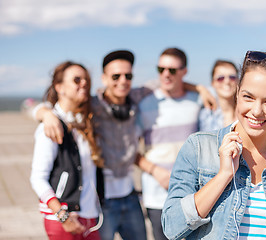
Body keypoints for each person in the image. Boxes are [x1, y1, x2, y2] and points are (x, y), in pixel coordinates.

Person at [33, 50, 216, 240]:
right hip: (101, 202)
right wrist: (45, 114)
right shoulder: (92, 106)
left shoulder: (136, 97)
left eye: (128, 76)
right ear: (104, 78)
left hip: (130, 198)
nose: (123, 81)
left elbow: (170, 82)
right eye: (115, 76)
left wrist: (201, 88)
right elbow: (51, 106)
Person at [162, 51, 266, 239]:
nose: (256, 111)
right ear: (238, 92)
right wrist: (223, 175)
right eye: (248, 97)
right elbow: (171, 226)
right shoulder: (199, 147)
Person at [136, 47, 206, 240]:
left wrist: (200, 88)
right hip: (156, 196)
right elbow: (130, 151)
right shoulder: (144, 104)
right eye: (161, 69)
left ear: (184, 71)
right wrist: (156, 171)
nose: (166, 74)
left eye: (172, 70)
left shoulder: (198, 101)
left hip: (193, 195)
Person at [30, 61, 102, 240]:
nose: (84, 83)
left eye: (86, 80)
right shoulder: (51, 126)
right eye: (77, 80)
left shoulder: (86, 121)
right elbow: (37, 178)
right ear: (59, 87)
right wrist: (62, 216)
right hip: (64, 219)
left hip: (90, 218)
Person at [199, 60, 238, 131]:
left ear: (238, 80)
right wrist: (201, 88)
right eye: (220, 78)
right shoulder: (205, 114)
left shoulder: (246, 113)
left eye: (232, 77)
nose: (227, 81)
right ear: (212, 83)